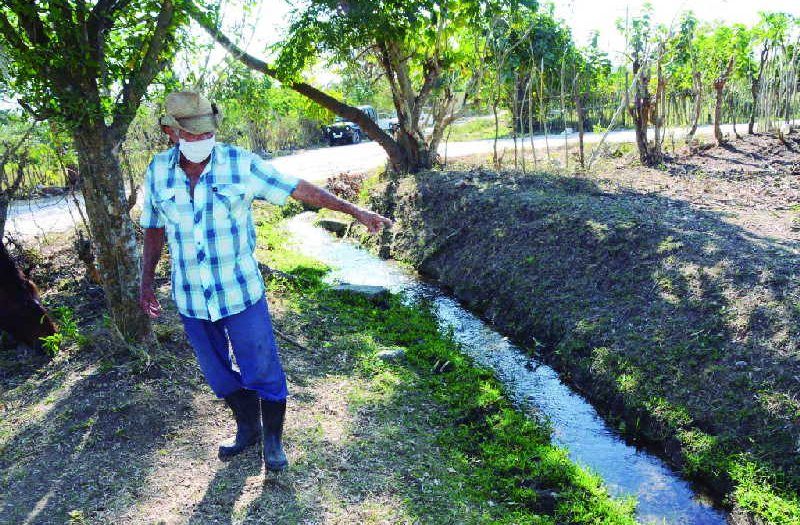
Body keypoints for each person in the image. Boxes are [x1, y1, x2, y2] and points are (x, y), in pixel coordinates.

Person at [139, 91, 392, 473]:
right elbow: (154, 228)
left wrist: (353, 210)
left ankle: (272, 440)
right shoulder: (157, 171)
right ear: (169, 132)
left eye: (206, 133)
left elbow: (297, 187)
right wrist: (146, 280)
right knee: (218, 375)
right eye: (191, 136)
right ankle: (248, 428)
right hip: (191, 297)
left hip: (240, 292)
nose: (200, 141)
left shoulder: (239, 164)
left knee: (262, 370)